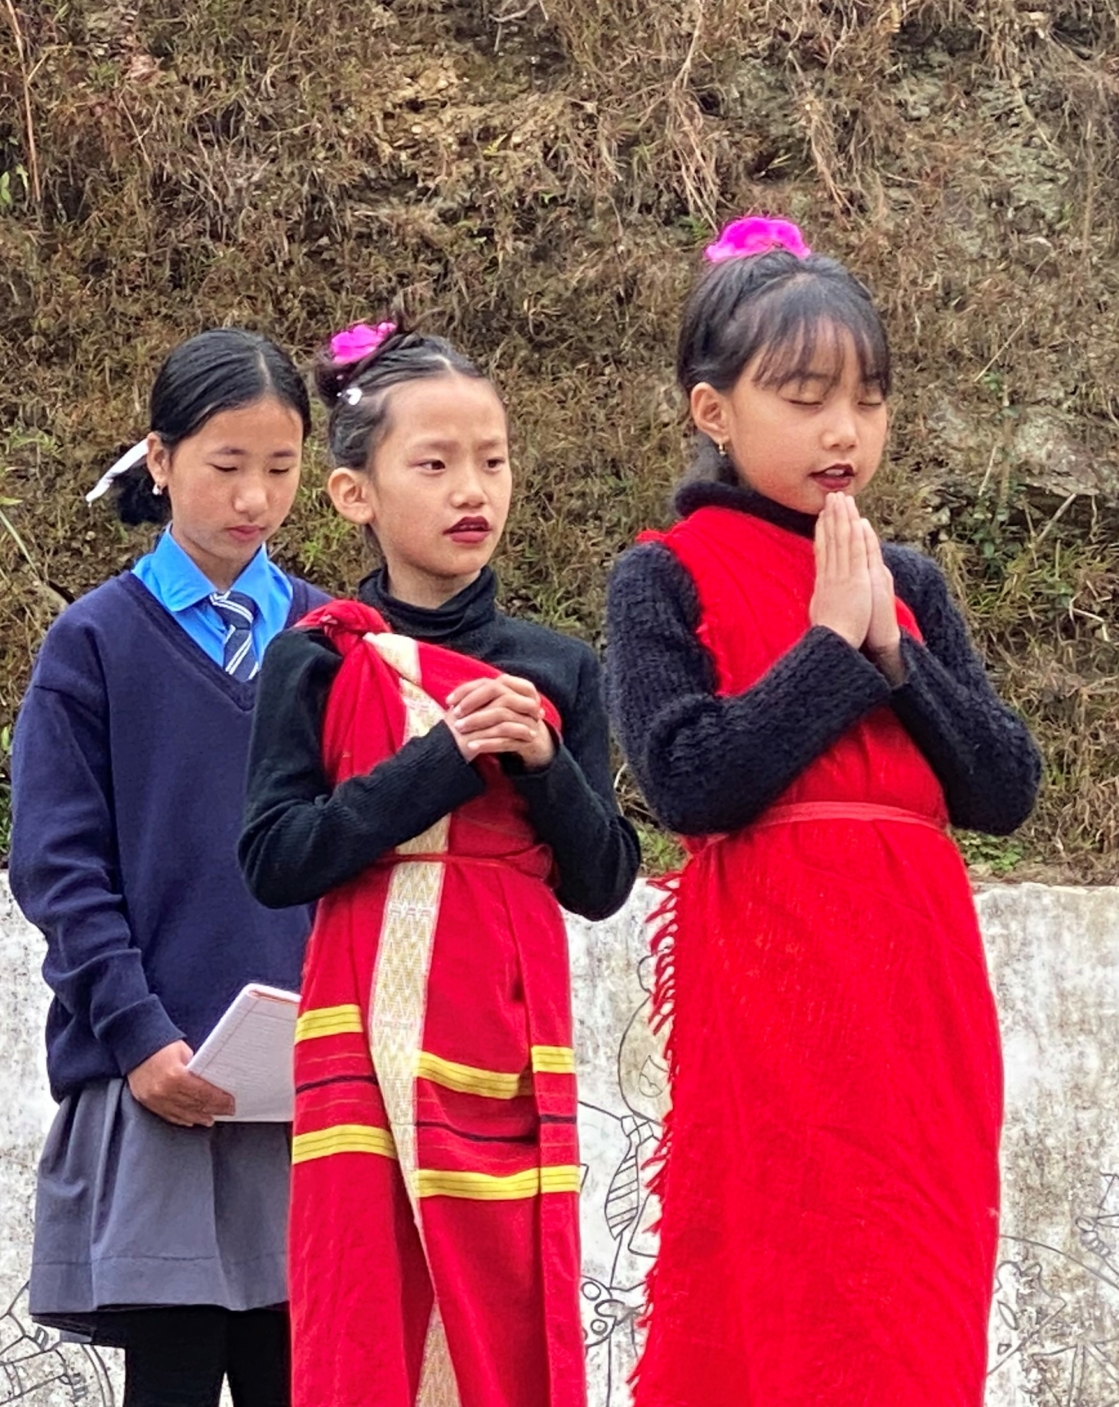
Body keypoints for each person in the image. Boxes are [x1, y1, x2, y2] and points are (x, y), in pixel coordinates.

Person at [602, 217, 1039, 1407]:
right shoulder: (664, 571)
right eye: (803, 397)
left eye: (869, 399)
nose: (844, 430)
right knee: (785, 1283)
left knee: (917, 1282)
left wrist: (894, 651)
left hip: (919, 983)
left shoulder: (910, 581)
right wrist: (827, 651)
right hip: (776, 979)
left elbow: (1002, 790)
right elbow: (687, 778)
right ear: (714, 413)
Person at [239, 322, 638, 1407]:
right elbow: (275, 857)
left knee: (507, 1305)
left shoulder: (553, 667)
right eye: (434, 463)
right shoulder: (317, 655)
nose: (473, 490)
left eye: (493, 459)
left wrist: (544, 757)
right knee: (365, 1305)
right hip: (358, 1040)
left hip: (500, 1038)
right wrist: (442, 762)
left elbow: (602, 882)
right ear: (352, 493)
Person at [8, 328, 328, 1407]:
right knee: (175, 1379)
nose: (253, 498)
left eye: (279, 469)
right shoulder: (94, 644)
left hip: (312, 1096)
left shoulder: (336, 641)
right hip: (164, 1087)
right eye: (224, 465)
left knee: (305, 1373)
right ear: (159, 460)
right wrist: (139, 1038)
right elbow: (60, 870)